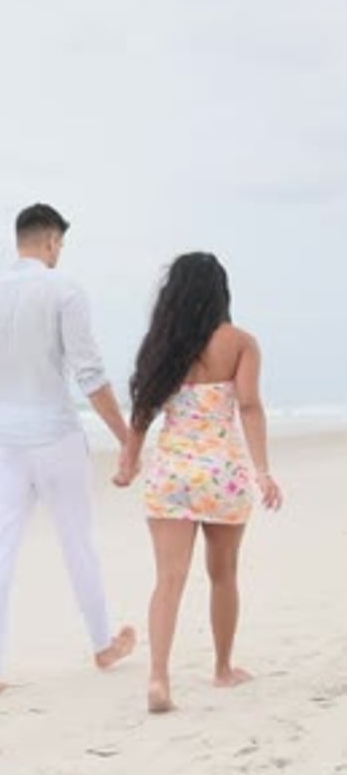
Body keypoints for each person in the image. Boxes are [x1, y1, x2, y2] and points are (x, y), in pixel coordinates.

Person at [0, 203, 135, 700]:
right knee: (77, 543)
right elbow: (90, 375)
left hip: (0, 439)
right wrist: (127, 438)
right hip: (55, 435)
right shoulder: (65, 290)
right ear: (50, 241)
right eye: (60, 244)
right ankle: (103, 646)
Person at [114, 252, 282, 713]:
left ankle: (158, 678)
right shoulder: (240, 343)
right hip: (222, 475)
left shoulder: (162, 345)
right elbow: (249, 407)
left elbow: (142, 413)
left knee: (168, 579)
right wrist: (263, 471)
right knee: (223, 574)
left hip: (171, 474)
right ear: (220, 292)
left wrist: (128, 463)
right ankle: (223, 669)